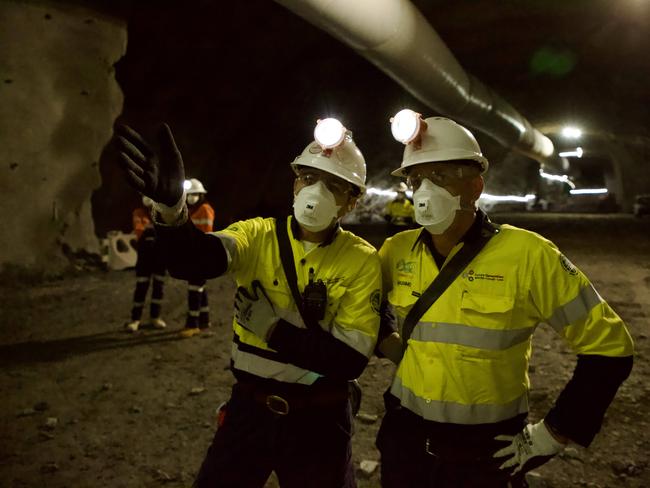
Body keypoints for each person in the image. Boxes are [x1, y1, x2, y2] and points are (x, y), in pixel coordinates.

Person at [113, 118, 382, 488]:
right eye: (307, 178)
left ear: (351, 201)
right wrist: (172, 210)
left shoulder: (362, 259)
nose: (315, 191)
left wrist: (272, 330)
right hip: (250, 412)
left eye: (334, 185)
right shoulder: (258, 235)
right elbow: (194, 260)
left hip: (318, 421)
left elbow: (347, 360)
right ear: (294, 182)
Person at [375, 111, 634, 487]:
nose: (425, 190)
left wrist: (556, 431)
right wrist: (389, 341)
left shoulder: (528, 254)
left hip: (485, 454)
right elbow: (366, 301)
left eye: (441, 176)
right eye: (417, 179)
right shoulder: (395, 250)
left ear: (476, 186)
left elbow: (610, 348)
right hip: (406, 444)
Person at [180, 177, 215, 338]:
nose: (191, 197)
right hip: (194, 254)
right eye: (189, 194)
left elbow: (205, 234)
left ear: (200, 195)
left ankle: (192, 324)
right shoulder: (192, 210)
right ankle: (204, 320)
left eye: (194, 194)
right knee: (200, 288)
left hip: (201, 255)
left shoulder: (205, 209)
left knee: (194, 289)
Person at [125, 195, 167, 332]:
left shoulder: (163, 215)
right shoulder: (139, 213)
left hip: (160, 258)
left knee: (158, 288)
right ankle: (135, 319)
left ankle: (155, 317)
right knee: (141, 288)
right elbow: (140, 233)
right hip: (145, 259)